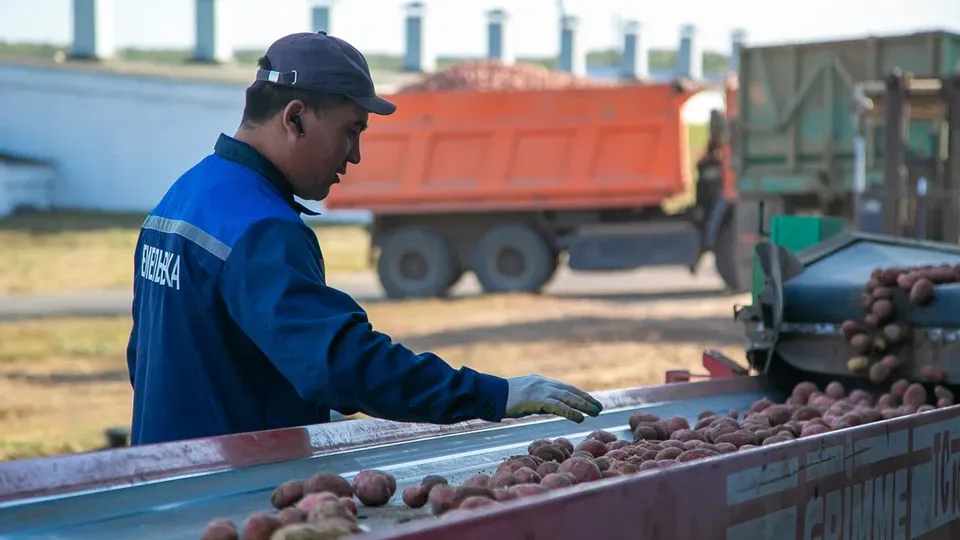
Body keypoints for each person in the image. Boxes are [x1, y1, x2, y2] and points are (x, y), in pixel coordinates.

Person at [126, 31, 603, 446]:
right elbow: (340, 364)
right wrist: (497, 394)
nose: (354, 156)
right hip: (228, 496)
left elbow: (148, 357)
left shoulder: (182, 197)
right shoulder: (262, 228)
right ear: (295, 119)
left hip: (166, 475)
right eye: (351, 131)